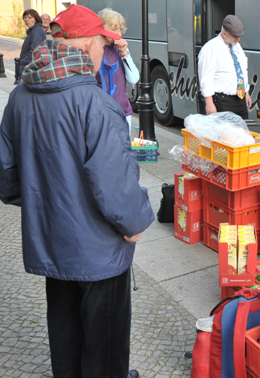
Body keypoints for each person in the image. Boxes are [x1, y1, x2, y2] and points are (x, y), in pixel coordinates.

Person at [0, 4, 154, 378]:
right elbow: (114, 186)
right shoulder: (95, 104)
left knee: (65, 332)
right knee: (105, 345)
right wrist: (135, 223)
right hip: (100, 252)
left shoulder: (19, 97)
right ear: (86, 46)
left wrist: (46, 200)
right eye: (104, 43)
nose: (106, 53)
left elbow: (7, 178)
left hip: (54, 241)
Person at [96, 7, 140, 136]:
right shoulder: (94, 49)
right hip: (101, 112)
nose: (119, 34)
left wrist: (124, 53)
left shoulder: (120, 49)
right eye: (114, 29)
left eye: (121, 30)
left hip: (123, 111)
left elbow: (134, 78)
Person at [197, 15, 252, 118]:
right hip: (222, 101)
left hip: (240, 99)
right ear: (224, 34)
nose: (238, 38)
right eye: (235, 36)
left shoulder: (237, 46)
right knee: (225, 133)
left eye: (240, 35)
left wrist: (247, 92)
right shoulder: (211, 48)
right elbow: (206, 77)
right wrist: (209, 103)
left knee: (242, 132)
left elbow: (243, 70)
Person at [16, 9, 46, 82]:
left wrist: (24, 62)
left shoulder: (36, 30)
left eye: (30, 17)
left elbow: (34, 49)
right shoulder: (33, 30)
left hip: (32, 68)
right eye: (25, 17)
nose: (27, 20)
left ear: (35, 19)